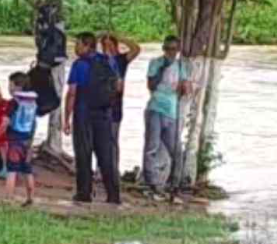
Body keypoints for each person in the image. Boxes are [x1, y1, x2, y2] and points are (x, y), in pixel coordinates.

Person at [63, 32, 122, 204]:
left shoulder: (79, 65)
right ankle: (113, 195)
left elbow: (72, 93)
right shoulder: (109, 61)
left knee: (83, 153)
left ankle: (84, 193)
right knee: (106, 155)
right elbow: (118, 86)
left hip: (83, 112)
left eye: (78, 44)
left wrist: (66, 118)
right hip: (104, 114)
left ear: (87, 46)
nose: (75, 48)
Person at [143, 35, 192, 198]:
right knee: (152, 147)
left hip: (172, 112)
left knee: (176, 150)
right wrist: (163, 68)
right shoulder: (156, 63)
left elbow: (187, 90)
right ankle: (152, 183)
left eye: (173, 49)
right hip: (156, 109)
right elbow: (151, 85)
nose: (170, 52)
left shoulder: (181, 66)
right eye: (167, 49)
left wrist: (185, 87)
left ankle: (175, 184)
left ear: (178, 50)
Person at [0, 72, 38, 206]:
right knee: (27, 171)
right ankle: (30, 198)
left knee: (11, 170)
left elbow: (5, 122)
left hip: (14, 141)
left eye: (11, 84)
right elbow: (34, 123)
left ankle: (8, 199)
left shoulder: (13, 103)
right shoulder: (32, 102)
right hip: (27, 141)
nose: (9, 88)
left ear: (18, 87)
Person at [100, 32, 141, 171]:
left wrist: (119, 37)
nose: (108, 48)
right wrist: (99, 36)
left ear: (116, 45)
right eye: (105, 45)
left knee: (113, 139)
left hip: (116, 106)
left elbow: (136, 49)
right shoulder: (100, 61)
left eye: (110, 45)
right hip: (100, 106)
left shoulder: (121, 60)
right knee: (100, 141)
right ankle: (101, 169)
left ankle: (113, 169)